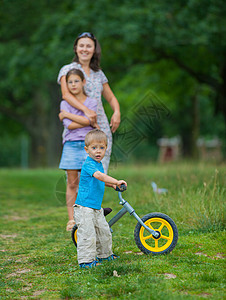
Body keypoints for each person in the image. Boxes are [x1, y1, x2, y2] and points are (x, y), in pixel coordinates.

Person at [57, 32, 120, 173]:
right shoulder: (67, 70)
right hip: (77, 126)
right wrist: (86, 111)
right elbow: (66, 95)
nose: (85, 49)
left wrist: (117, 112)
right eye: (82, 46)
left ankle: (96, 196)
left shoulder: (98, 73)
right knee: (77, 175)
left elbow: (111, 97)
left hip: (99, 126)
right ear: (76, 48)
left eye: (89, 46)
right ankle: (78, 196)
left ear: (94, 49)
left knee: (99, 171)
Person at [74, 129, 127, 268]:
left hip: (95, 207)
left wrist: (112, 186)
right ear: (87, 149)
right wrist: (116, 181)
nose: (98, 151)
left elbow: (101, 181)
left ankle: (105, 255)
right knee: (88, 234)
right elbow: (99, 176)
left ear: (106, 149)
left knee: (104, 231)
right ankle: (86, 261)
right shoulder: (89, 164)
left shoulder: (99, 164)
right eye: (94, 148)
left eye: (101, 148)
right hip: (84, 207)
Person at [59, 68, 98, 231]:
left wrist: (66, 115)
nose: (73, 84)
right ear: (66, 85)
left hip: (87, 146)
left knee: (90, 181)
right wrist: (87, 120)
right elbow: (69, 125)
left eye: (76, 81)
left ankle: (89, 216)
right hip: (70, 145)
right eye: (70, 82)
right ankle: (71, 220)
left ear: (83, 82)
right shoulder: (64, 103)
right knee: (72, 183)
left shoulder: (92, 101)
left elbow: (91, 119)